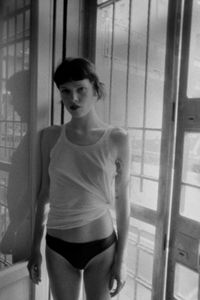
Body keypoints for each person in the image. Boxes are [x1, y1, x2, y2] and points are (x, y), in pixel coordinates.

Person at [27, 57, 131, 300]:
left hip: (102, 248)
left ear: (95, 90)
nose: (72, 98)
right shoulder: (51, 137)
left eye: (80, 89)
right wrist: (35, 248)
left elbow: (124, 201)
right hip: (58, 249)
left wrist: (122, 260)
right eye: (65, 91)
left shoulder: (117, 139)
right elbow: (43, 196)